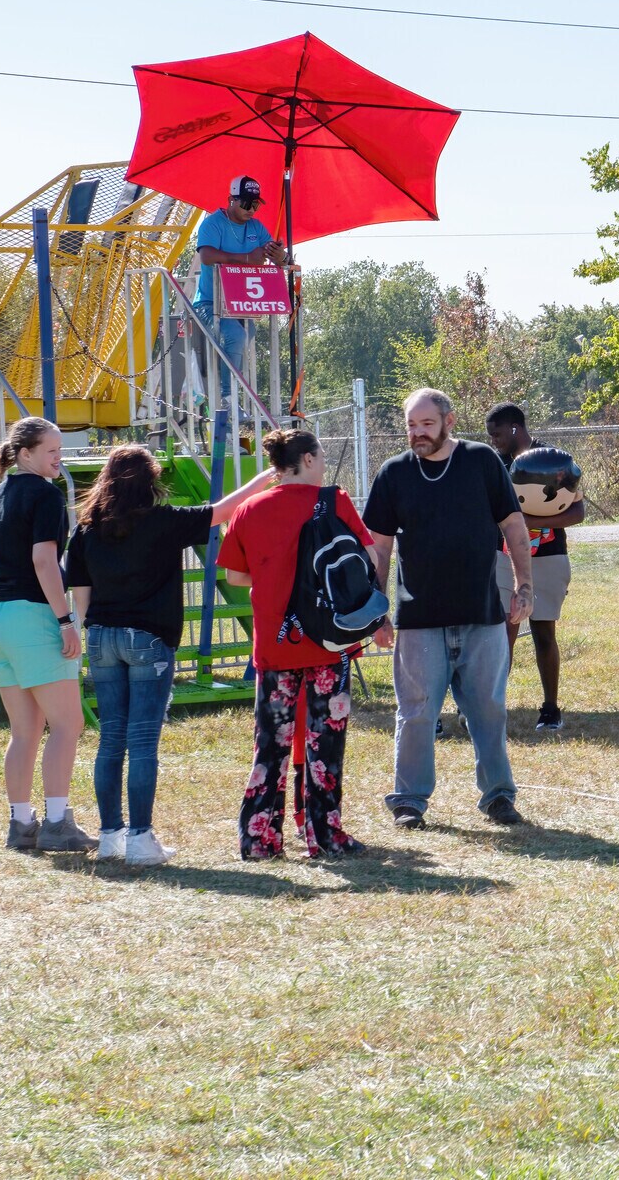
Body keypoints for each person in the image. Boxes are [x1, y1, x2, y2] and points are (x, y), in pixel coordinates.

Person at [65, 445, 274, 864]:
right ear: (151, 481)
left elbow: (81, 596)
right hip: (149, 639)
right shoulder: (163, 522)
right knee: (142, 742)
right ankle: (140, 838)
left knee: (111, 741)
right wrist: (265, 477)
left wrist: (82, 638)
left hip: (101, 638)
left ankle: (110, 837)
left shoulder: (87, 529)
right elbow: (223, 510)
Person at [363, 389, 533, 830]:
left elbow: (513, 525)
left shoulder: (481, 461)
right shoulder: (394, 473)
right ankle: (409, 802)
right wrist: (377, 609)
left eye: (427, 424)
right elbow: (379, 547)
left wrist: (524, 585)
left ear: (449, 421)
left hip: (482, 613)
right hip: (419, 619)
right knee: (417, 713)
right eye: (411, 425)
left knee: (489, 711)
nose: (418, 434)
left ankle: (498, 797)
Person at [217, 430, 374, 859]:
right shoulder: (333, 501)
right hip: (327, 641)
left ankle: (260, 839)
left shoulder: (249, 509)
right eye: (320, 455)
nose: (322, 463)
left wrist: (274, 580)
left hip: (275, 642)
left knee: (270, 745)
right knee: (325, 745)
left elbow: (234, 575)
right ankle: (326, 837)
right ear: (306, 459)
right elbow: (365, 558)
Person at [0, 419, 91, 853]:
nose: (58, 458)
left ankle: (21, 823)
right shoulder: (45, 495)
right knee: (69, 724)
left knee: (24, 730)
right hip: (34, 617)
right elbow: (44, 563)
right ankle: (56, 822)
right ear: (25, 453)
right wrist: (65, 620)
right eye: (51, 451)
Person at [485, 403, 585, 731]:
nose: (495, 441)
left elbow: (577, 513)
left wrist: (529, 521)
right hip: (507, 558)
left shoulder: (554, 460)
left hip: (549, 555)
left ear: (514, 427)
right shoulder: (496, 465)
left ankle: (551, 709)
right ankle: (493, 706)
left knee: (544, 633)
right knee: (506, 631)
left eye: (497, 434)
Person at [191, 175, 287, 398]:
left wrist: (281, 256)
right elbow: (206, 256)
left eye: (255, 204)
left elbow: (274, 256)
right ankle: (228, 398)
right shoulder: (212, 223)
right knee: (236, 335)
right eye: (245, 203)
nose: (251, 209)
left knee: (246, 332)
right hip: (209, 303)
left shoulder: (256, 227)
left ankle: (225, 380)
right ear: (230, 200)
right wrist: (246, 258)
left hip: (238, 305)